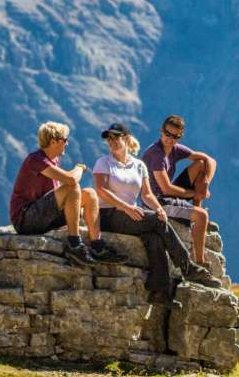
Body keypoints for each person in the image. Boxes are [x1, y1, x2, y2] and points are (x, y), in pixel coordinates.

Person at [93, 122, 223, 304]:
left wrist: (159, 208)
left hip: (131, 215)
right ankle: (189, 268)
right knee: (157, 222)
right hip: (109, 215)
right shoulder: (103, 162)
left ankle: (159, 290)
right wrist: (126, 207)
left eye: (117, 137)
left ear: (127, 139)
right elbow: (100, 190)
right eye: (109, 138)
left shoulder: (138, 165)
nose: (112, 141)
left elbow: (147, 194)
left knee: (154, 237)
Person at [9, 121, 127, 267]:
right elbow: (71, 179)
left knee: (90, 193)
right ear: (53, 141)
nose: (67, 143)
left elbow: (58, 196)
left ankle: (97, 246)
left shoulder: (54, 160)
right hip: (26, 219)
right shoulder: (36, 160)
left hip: (44, 216)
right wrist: (78, 168)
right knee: (73, 186)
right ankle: (75, 244)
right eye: (65, 140)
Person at [141, 115, 214, 264]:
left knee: (200, 164)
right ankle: (199, 262)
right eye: (168, 134)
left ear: (180, 136)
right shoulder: (156, 154)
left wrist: (205, 182)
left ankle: (195, 206)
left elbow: (209, 160)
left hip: (168, 196)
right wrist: (194, 193)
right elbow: (166, 189)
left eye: (175, 136)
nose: (170, 139)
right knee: (202, 216)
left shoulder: (175, 149)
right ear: (161, 131)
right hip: (156, 202)